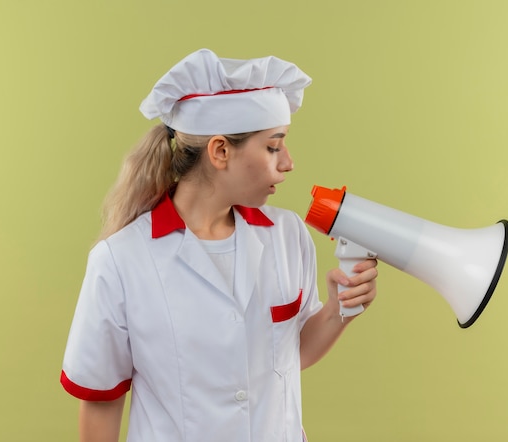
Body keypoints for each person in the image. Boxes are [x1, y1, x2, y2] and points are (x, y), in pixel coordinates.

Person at [60, 48, 378, 442]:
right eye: (273, 147)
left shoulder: (287, 234)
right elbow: (100, 402)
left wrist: (338, 309)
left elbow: (291, 356)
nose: (289, 163)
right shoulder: (120, 260)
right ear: (220, 151)